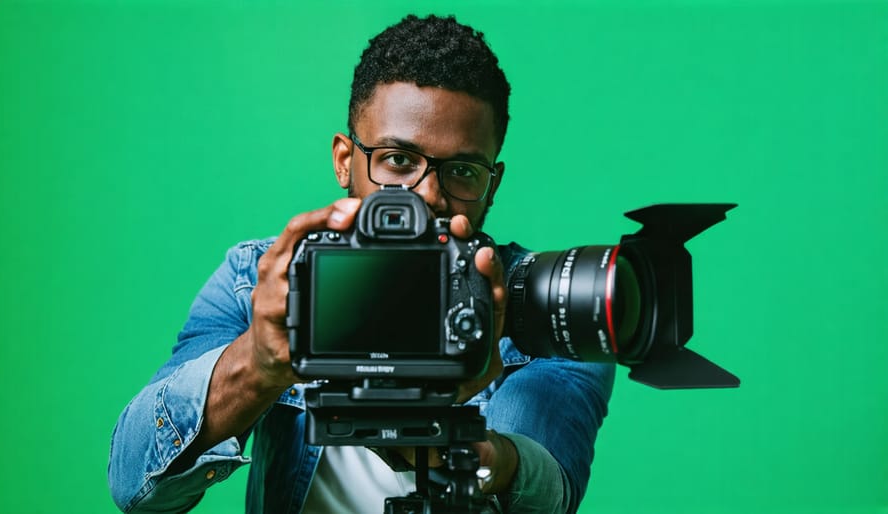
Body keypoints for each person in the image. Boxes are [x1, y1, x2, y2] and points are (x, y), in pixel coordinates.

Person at [108, 14, 615, 514]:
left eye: (461, 170)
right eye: (398, 160)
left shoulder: (547, 302)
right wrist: (259, 366)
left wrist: (457, 447)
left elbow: (547, 491)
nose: (427, 195)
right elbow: (134, 483)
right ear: (345, 160)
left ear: (492, 184)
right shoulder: (264, 278)